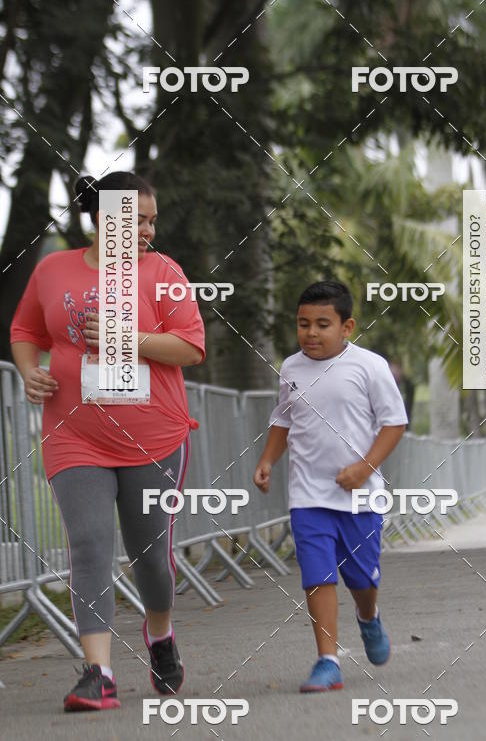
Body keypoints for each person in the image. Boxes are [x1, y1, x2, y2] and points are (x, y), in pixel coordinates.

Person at [10, 172, 205, 711]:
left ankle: (160, 635)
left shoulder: (163, 272)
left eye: (151, 220)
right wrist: (30, 372)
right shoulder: (54, 270)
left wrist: (132, 338)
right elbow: (25, 331)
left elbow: (191, 347)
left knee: (151, 560)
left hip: (154, 437)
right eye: (135, 219)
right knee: (90, 544)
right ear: (102, 219)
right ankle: (98, 672)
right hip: (73, 432)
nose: (147, 230)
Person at [253, 280, 407, 692]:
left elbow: (395, 423)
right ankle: (327, 660)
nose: (311, 333)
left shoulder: (369, 367)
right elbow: (283, 420)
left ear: (347, 326)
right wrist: (268, 459)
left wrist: (364, 468)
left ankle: (368, 618)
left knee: (361, 580)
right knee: (317, 575)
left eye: (323, 324)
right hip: (308, 495)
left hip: (359, 496)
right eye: (304, 324)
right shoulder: (291, 368)